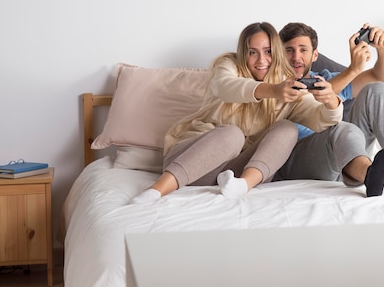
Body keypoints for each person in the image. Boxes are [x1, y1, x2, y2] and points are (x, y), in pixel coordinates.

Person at [131, 22, 344, 204]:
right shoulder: (228, 65)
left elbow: (322, 121)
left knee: (287, 129)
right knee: (232, 134)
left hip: (230, 174)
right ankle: (157, 190)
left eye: (268, 51)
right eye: (253, 52)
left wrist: (330, 101)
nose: (261, 60)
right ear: (244, 54)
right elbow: (225, 86)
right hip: (189, 160)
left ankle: (243, 186)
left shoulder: (288, 85)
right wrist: (272, 90)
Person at [273, 22, 384, 196]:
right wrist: (353, 69)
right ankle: (368, 174)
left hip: (347, 154)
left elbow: (382, 77)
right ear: (279, 55)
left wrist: (383, 49)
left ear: (314, 55)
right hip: (303, 159)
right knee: (341, 128)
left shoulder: (327, 78)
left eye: (303, 50)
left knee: (377, 89)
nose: (296, 57)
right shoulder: (275, 86)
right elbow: (310, 100)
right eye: (289, 50)